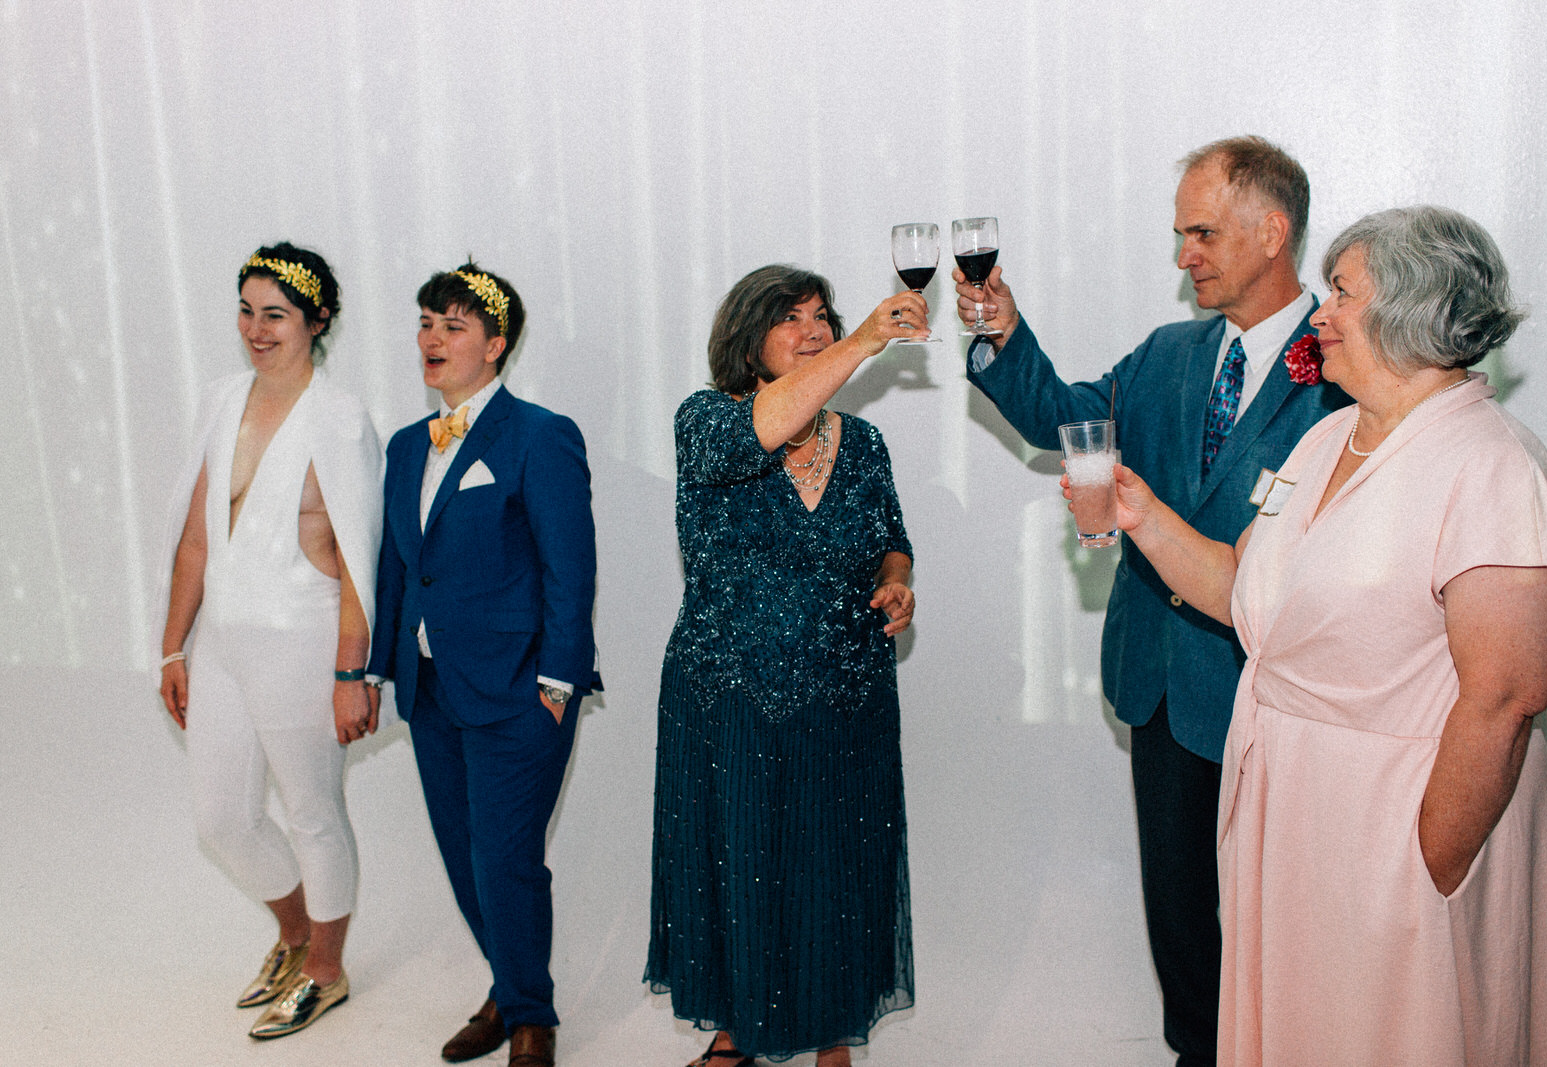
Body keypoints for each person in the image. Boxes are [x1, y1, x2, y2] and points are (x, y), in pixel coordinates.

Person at [1069, 205, 1547, 1065]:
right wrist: (1143, 517)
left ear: (1410, 313)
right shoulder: (1327, 437)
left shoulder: (1494, 466)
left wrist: (1429, 861)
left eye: (1341, 293)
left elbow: (1506, 696)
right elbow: (1249, 593)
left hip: (1400, 838)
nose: (1318, 313)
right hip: (1293, 825)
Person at [954, 136, 1346, 1064]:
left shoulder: (1347, 357)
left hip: (1280, 688)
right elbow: (1066, 416)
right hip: (1159, 680)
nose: (1184, 258)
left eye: (1201, 233)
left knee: (1286, 904)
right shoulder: (1169, 353)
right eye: (1180, 235)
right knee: (1178, 902)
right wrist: (1002, 333)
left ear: (1271, 230)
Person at [646, 265, 924, 1067]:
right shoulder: (707, 419)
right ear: (747, 336)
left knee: (834, 866)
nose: (813, 328)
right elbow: (761, 431)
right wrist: (872, 336)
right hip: (726, 691)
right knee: (735, 861)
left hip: (844, 691)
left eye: (822, 316)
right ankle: (735, 1027)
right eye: (789, 317)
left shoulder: (863, 443)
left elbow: (890, 540)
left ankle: (831, 1032)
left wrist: (896, 581)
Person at [366, 262, 600, 1067]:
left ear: (496, 346)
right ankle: (509, 986)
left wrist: (560, 683)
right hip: (431, 689)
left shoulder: (540, 435)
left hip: (519, 690)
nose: (432, 337)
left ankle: (532, 1018)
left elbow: (571, 568)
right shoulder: (405, 447)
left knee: (506, 858)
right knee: (466, 853)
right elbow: (397, 568)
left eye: (453, 325)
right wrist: (374, 671)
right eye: (427, 322)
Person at [157, 243, 383, 1038]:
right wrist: (172, 646)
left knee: (315, 810)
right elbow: (194, 535)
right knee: (222, 818)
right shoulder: (222, 399)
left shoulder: (341, 418)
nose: (257, 328)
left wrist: (352, 671)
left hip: (302, 638)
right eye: (247, 310)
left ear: (317, 322)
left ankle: (328, 969)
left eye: (276, 314)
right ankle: (294, 933)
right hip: (220, 641)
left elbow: (361, 560)